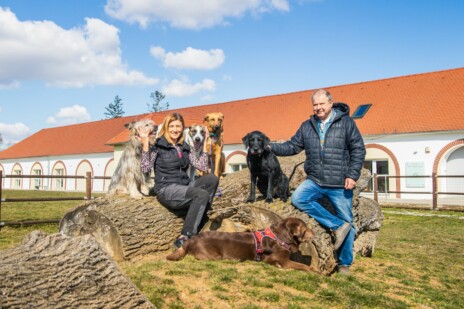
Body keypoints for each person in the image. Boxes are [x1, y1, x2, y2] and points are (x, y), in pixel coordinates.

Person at [270, 89, 366, 274]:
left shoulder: (346, 123)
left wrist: (352, 175)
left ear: (330, 104)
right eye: (315, 105)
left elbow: (358, 150)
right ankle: (336, 225)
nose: (319, 108)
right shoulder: (308, 125)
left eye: (322, 104)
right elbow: (292, 146)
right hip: (315, 180)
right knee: (298, 198)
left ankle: (344, 264)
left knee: (348, 220)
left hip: (339, 182)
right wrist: (270, 147)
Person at [138, 113, 219, 248]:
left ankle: (201, 217)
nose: (175, 130)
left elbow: (202, 166)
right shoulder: (158, 145)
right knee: (201, 194)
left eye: (178, 126)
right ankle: (185, 236)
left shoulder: (185, 146)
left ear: (183, 129)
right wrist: (145, 143)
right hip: (167, 189)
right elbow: (145, 168)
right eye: (172, 126)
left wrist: (205, 143)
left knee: (212, 179)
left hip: (185, 185)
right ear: (166, 127)